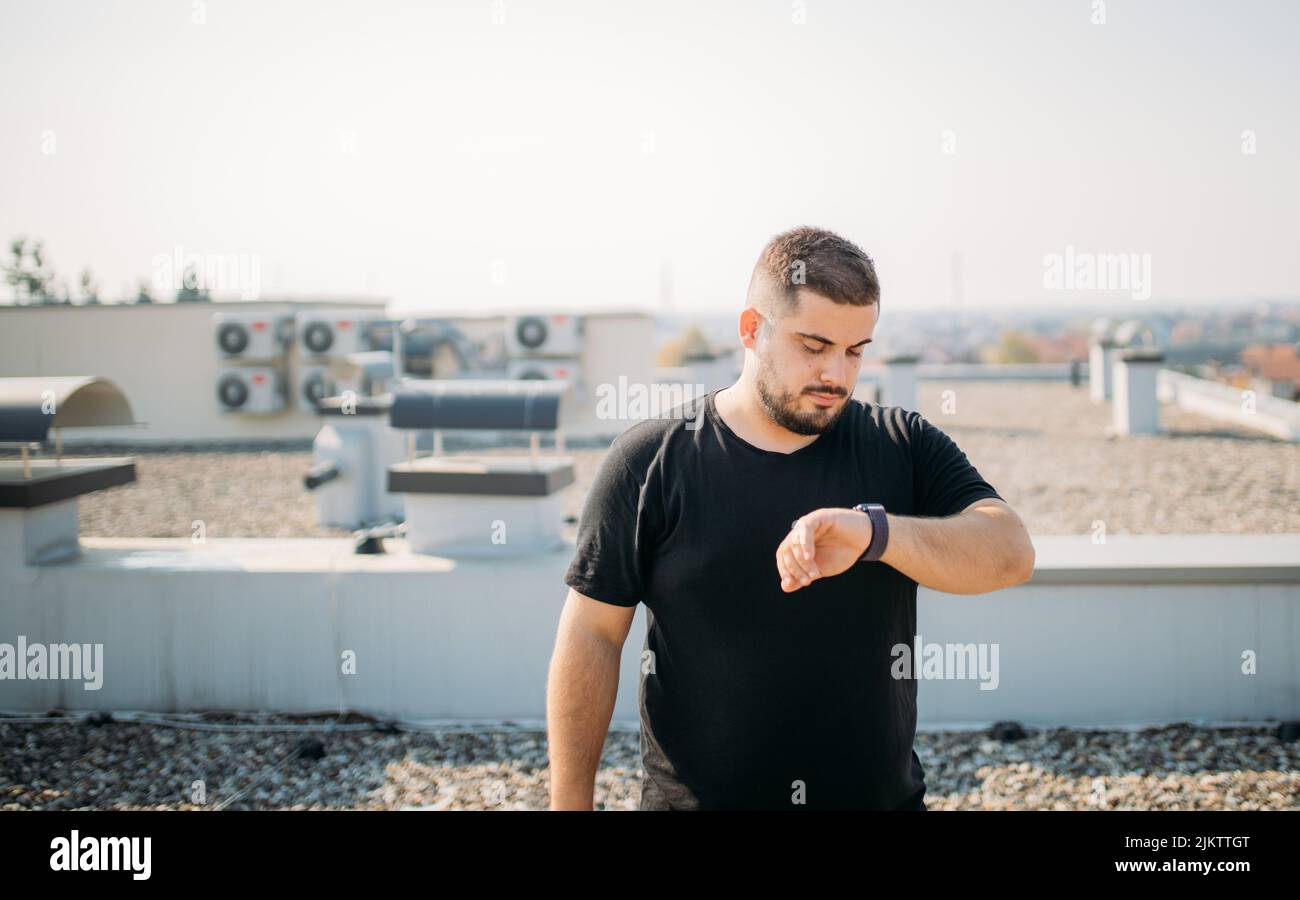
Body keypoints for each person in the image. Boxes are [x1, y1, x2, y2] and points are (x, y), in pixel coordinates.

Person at [546, 225, 1035, 811]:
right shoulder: (650, 461)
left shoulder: (902, 445)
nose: (837, 375)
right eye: (814, 345)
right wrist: (569, 806)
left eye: (856, 351)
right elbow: (592, 634)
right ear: (752, 329)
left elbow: (1010, 552)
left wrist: (877, 533)